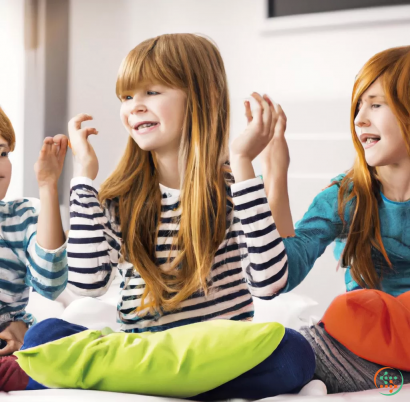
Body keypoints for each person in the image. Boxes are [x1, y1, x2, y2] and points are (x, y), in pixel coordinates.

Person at [20, 34, 314, 399]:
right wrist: (82, 177)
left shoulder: (234, 187)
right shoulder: (117, 198)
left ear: (203, 94)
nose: (135, 107)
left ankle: (147, 387)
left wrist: (243, 165)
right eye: (127, 97)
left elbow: (270, 283)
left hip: (213, 350)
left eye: (152, 92)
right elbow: (86, 283)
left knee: (294, 353)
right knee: (42, 337)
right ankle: (177, 386)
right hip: (146, 352)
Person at [261, 46, 410, 393]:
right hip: (360, 342)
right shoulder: (346, 196)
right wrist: (276, 175)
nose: (359, 119)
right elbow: (284, 273)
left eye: (376, 104)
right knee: (299, 343)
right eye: (358, 106)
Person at [0, 106, 68, 356]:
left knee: (53, 332)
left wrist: (48, 186)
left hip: (19, 347)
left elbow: (50, 285)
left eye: (3, 153)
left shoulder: (23, 214)